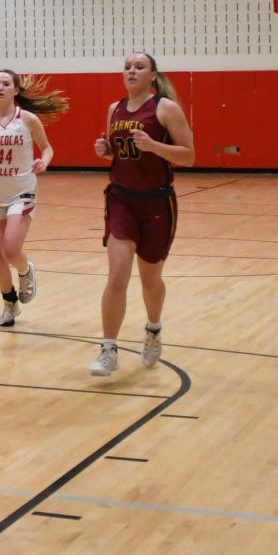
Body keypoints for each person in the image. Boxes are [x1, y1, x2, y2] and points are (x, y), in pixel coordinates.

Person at [89, 53, 195, 376]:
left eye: (139, 67)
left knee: (151, 280)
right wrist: (106, 150)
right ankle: (108, 349)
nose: (131, 71)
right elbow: (118, 151)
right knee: (117, 274)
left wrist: (154, 146)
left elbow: (189, 155)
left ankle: (153, 328)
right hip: (122, 198)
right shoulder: (114, 109)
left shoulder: (165, 109)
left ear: (152, 76)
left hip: (157, 204)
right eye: (127, 67)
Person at [0, 71, 67, 326]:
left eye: (6, 83)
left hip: (22, 190)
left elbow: (47, 147)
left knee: (10, 250)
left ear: (15, 90)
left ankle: (25, 270)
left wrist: (44, 160)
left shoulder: (27, 119)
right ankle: (10, 303)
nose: (1, 87)